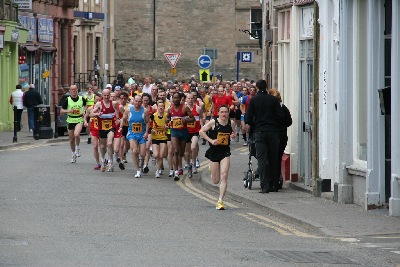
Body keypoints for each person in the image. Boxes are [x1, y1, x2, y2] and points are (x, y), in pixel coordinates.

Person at [245, 80, 284, 193]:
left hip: (260, 132)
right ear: (266, 87)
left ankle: (264, 186)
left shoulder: (254, 100)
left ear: (257, 87)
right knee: (273, 158)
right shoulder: (273, 100)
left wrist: (255, 125)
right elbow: (280, 116)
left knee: (262, 159)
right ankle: (274, 185)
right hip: (273, 132)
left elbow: (248, 118)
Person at [199, 105, 236, 210]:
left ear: (228, 113)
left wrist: (233, 136)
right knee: (215, 181)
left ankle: (220, 201)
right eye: (222, 112)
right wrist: (211, 141)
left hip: (225, 151)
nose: (224, 114)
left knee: (224, 175)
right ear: (218, 113)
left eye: (226, 112)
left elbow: (234, 133)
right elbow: (201, 131)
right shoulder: (213, 122)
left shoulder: (231, 123)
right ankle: (211, 168)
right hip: (214, 151)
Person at [166, 92, 194, 181]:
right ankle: (176, 172)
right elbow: (167, 118)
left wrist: (186, 120)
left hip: (183, 132)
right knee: (176, 151)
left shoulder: (185, 108)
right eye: (174, 98)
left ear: (180, 99)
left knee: (181, 153)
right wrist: (167, 121)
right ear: (172, 99)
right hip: (174, 132)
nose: (176, 99)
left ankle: (185, 166)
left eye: (177, 98)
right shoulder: (170, 109)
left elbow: (192, 118)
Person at [120, 94, 150, 178]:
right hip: (132, 133)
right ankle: (138, 170)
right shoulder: (128, 110)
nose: (137, 103)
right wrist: (121, 127)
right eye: (136, 101)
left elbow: (148, 122)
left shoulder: (145, 111)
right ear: (133, 101)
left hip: (141, 134)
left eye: (139, 101)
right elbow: (123, 119)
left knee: (143, 153)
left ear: (142, 102)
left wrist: (146, 132)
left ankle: (142, 160)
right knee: (134, 151)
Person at [268, 88, 292, 188]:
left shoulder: (269, 109)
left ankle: (270, 181)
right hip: (281, 135)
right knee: (277, 159)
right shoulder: (283, 108)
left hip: (272, 136)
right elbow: (289, 122)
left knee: (270, 158)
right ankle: (276, 181)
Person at [91, 88, 119, 172]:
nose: (106, 97)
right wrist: (97, 114)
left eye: (108, 95)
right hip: (101, 128)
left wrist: (117, 118)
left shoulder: (113, 103)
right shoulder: (99, 104)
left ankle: (110, 161)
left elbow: (117, 111)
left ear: (110, 96)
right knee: (102, 146)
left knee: (110, 143)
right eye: (105, 95)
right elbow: (91, 114)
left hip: (111, 127)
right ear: (102, 96)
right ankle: (103, 161)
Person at [60, 85, 87, 163]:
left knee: (76, 134)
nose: (74, 91)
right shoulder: (67, 100)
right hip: (70, 120)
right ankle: (73, 153)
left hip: (79, 119)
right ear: (70, 91)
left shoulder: (82, 99)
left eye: (75, 89)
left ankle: (78, 148)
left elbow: (85, 106)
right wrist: (69, 111)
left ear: (77, 90)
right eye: (72, 89)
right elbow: (61, 111)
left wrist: (84, 111)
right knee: (71, 140)